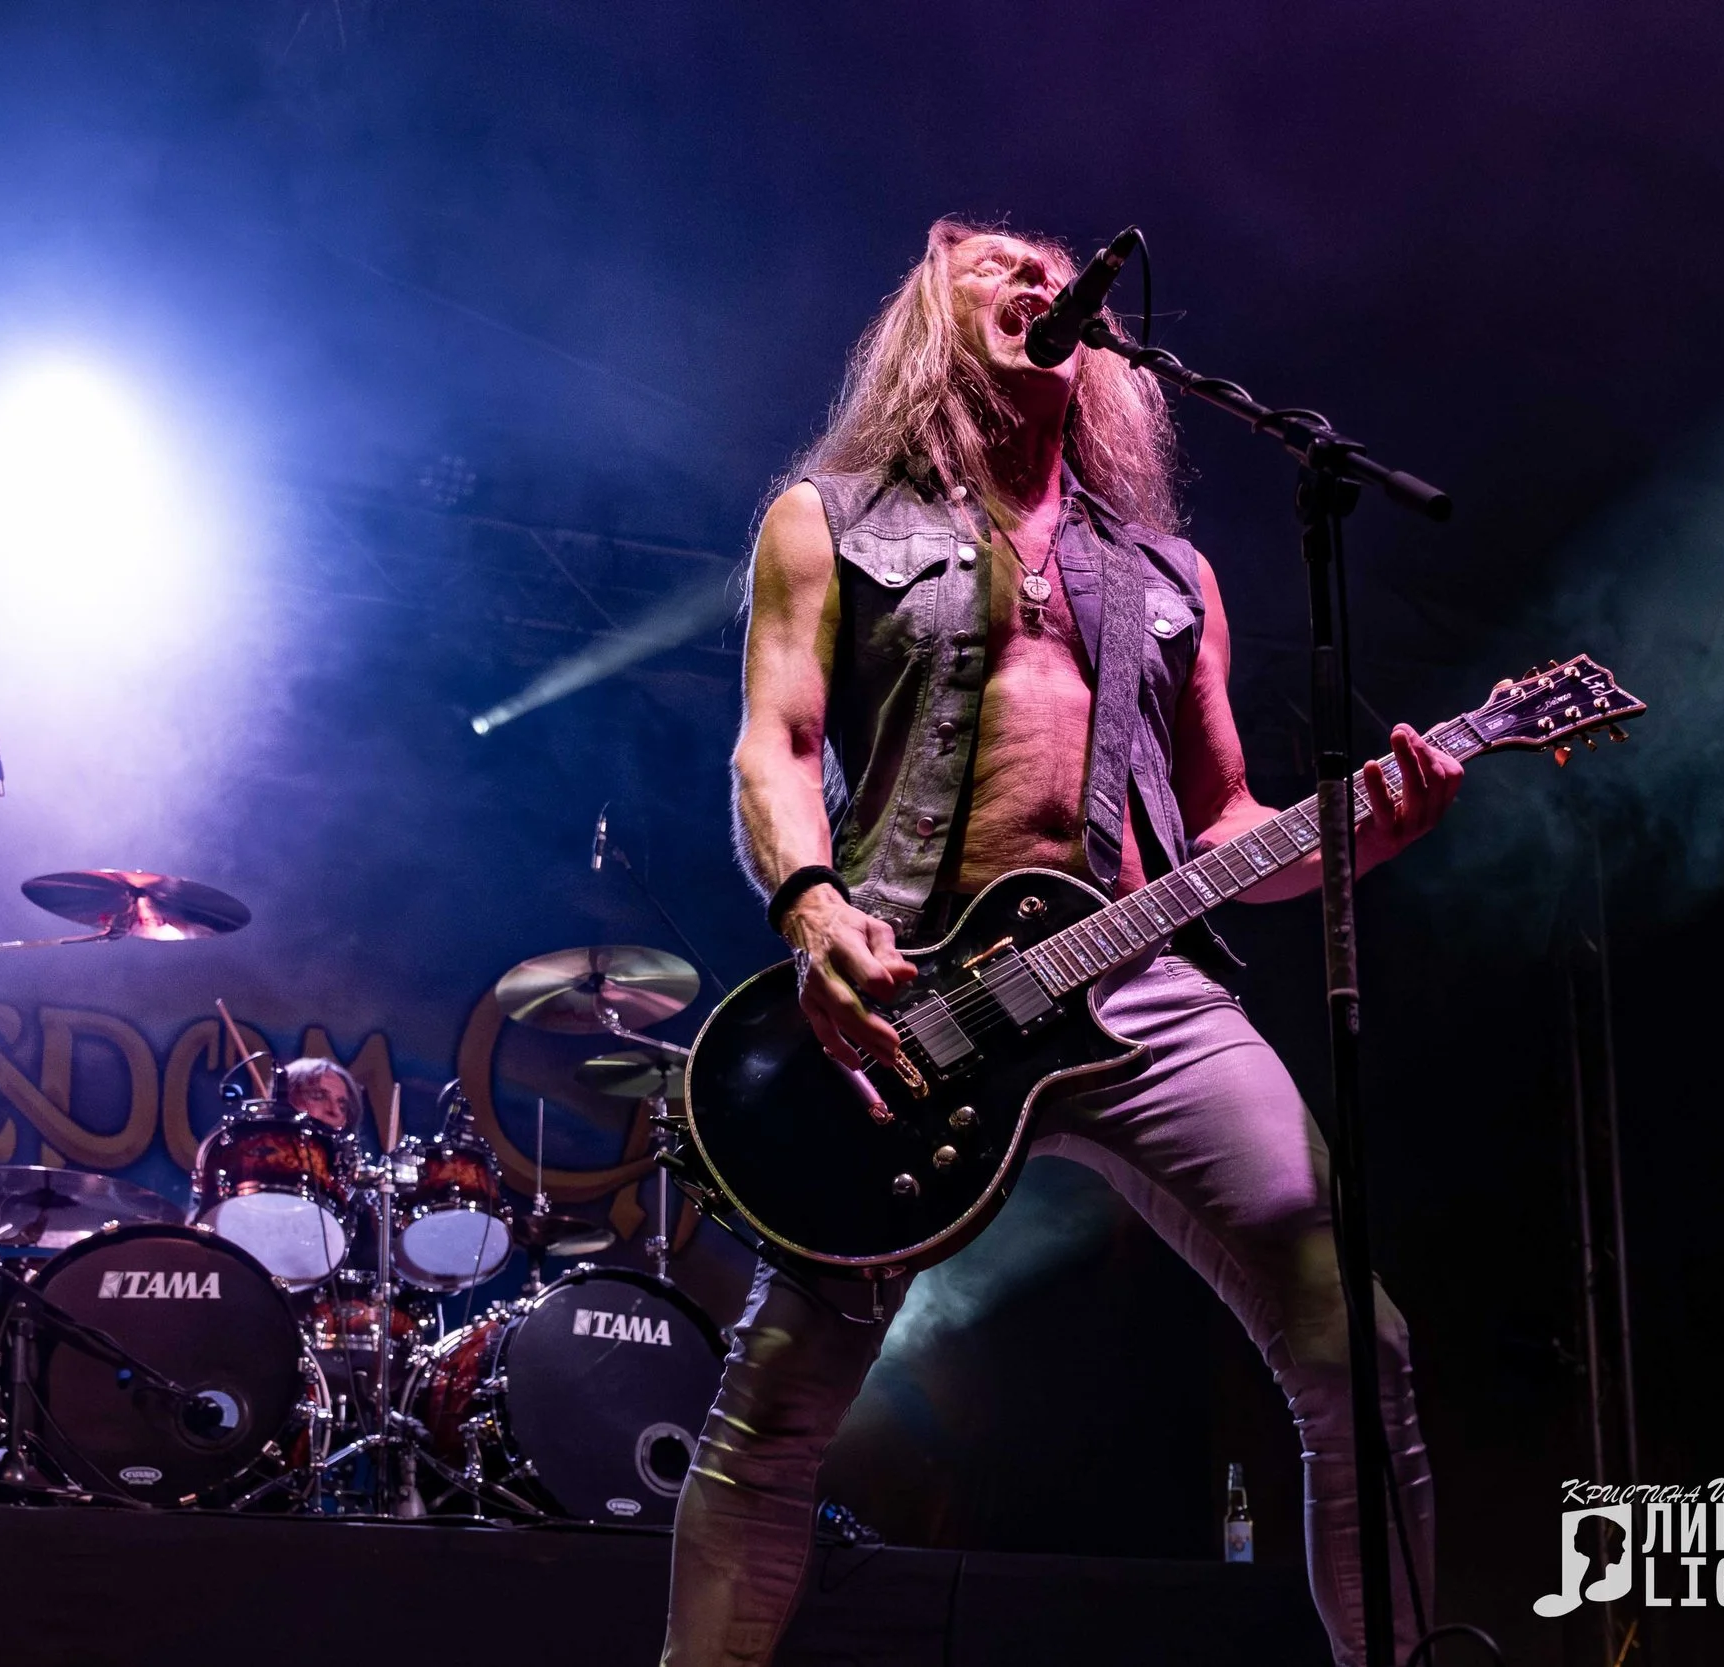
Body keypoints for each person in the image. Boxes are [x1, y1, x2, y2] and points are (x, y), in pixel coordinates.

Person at [661, 218, 1463, 1667]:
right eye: (994, 270)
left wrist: (1367, 830)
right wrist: (812, 906)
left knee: (1359, 1349)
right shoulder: (828, 518)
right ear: (926, 321)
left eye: (1050, 269)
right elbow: (773, 748)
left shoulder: (1169, 569)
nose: (1038, 280)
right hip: (915, 993)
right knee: (775, 1411)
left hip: (1144, 989)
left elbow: (1223, 825)